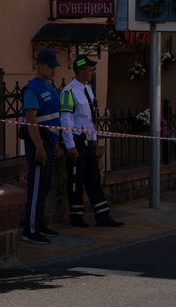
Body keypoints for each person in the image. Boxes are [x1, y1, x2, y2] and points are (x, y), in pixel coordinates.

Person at [59, 55, 123, 228]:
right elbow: (66, 119)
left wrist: (94, 138)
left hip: (87, 139)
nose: (92, 72)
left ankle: (102, 215)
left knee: (93, 177)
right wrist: (70, 144)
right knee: (76, 178)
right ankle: (76, 216)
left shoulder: (88, 89)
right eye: (90, 69)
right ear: (80, 70)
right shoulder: (69, 91)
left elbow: (90, 118)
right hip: (76, 140)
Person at [19, 49, 62, 244]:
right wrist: (39, 147)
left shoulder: (50, 86)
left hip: (50, 141)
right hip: (39, 142)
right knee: (36, 186)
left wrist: (56, 143)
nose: (54, 70)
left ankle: (40, 222)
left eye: (55, 66)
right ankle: (30, 229)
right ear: (40, 65)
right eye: (50, 66)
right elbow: (30, 118)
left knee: (44, 185)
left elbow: (54, 117)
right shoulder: (32, 88)